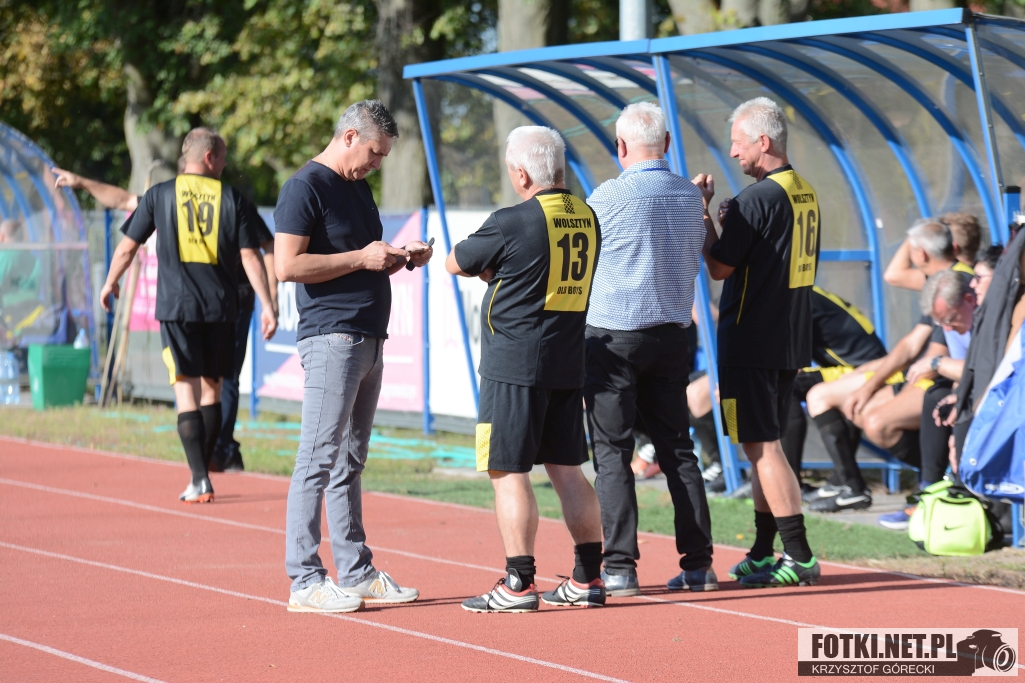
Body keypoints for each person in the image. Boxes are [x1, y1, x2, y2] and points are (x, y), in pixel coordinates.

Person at [275, 100, 429, 614]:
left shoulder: (358, 188)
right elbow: (286, 266)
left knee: (350, 461)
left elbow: (362, 262)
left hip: (368, 338)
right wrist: (363, 257)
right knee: (317, 459)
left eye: (383, 156)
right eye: (374, 153)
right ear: (348, 137)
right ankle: (304, 580)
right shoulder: (305, 187)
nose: (377, 164)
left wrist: (399, 258)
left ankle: (357, 572)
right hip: (331, 339)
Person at [447, 125, 606, 612]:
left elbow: (456, 261)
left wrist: (497, 271)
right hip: (566, 359)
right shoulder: (587, 216)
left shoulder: (512, 220)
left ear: (521, 174)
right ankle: (588, 578)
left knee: (506, 469)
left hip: (514, 363)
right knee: (569, 470)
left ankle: (518, 583)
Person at [53, 164, 277, 472]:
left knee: (218, 381)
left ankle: (218, 452)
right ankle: (209, 458)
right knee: (206, 382)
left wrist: (270, 298)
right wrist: (82, 181)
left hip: (229, 299)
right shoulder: (174, 197)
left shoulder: (229, 200)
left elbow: (264, 246)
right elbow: (124, 200)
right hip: (193, 302)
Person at [100, 128, 278, 504]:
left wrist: (110, 282)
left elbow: (128, 247)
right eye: (223, 157)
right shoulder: (232, 198)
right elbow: (251, 256)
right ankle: (205, 471)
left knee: (186, 391)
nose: (225, 164)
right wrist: (268, 304)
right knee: (213, 390)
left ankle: (199, 479)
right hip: (221, 309)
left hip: (176, 308)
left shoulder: (160, 195)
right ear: (209, 157)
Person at [583, 102, 716, 596]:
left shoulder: (607, 196)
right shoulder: (689, 196)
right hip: (671, 336)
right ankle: (699, 565)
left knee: (612, 452)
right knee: (679, 450)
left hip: (614, 337)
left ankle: (620, 567)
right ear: (667, 144)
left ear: (620, 147)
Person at [694, 97, 821, 588]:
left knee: (761, 446)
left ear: (762, 142)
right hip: (788, 336)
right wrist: (734, 221)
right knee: (762, 446)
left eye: (738, 143)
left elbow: (719, 266)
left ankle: (799, 555)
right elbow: (766, 251)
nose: (732, 153)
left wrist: (704, 213)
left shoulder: (757, 198)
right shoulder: (802, 190)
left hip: (752, 339)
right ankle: (765, 549)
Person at [788, 287, 888, 513]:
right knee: (783, 386)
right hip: (861, 367)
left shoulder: (793, 299)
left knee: (784, 389)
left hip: (867, 371)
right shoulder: (798, 292)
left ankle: (791, 484)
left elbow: (790, 366)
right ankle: (840, 481)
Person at [0, 219, 42, 345]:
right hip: (33, 315)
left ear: (1, 237)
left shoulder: (4, 257)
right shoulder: (32, 258)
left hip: (10, 316)